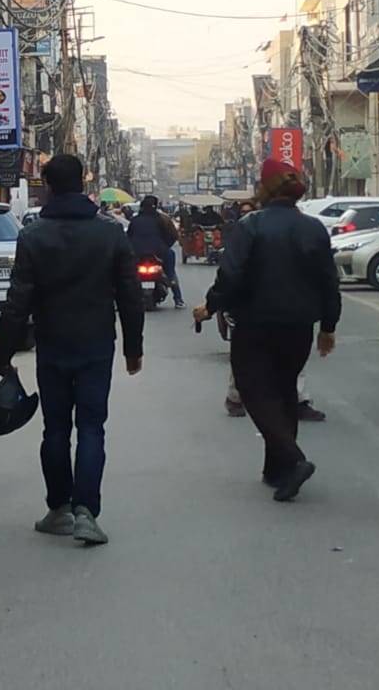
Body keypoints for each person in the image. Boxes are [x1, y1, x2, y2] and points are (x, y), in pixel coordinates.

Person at [0, 154, 144, 545]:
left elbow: (18, 299)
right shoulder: (111, 233)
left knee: (56, 429)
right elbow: (129, 295)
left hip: (53, 344)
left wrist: (4, 352)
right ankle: (86, 513)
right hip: (97, 344)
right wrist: (133, 347)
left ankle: (59, 508)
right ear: (82, 182)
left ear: (49, 184)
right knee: (92, 427)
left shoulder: (33, 236)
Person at [193, 158, 340, 502]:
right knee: (285, 391)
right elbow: (328, 282)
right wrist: (328, 326)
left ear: (264, 188)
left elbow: (231, 275)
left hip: (256, 323)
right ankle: (277, 470)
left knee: (254, 391)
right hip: (300, 325)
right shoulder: (314, 228)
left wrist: (211, 306)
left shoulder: (251, 225)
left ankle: (294, 459)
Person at [219, 200, 326, 422]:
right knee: (245, 364)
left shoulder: (299, 236)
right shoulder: (247, 232)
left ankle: (298, 401)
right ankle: (237, 397)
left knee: (293, 364)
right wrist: (219, 304)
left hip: (289, 312)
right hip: (253, 313)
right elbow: (230, 272)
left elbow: (323, 277)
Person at [127, 194, 184, 308]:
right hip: (159, 251)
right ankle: (178, 299)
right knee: (171, 273)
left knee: (126, 273)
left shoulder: (134, 220)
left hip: (137, 252)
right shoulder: (162, 219)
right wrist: (165, 246)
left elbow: (128, 237)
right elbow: (172, 236)